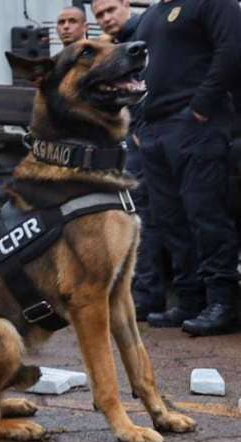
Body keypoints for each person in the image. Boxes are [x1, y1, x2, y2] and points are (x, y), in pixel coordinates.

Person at [135, 0, 241, 336]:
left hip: (197, 124)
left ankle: (222, 302)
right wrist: (139, 123)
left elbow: (232, 50)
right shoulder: (150, 16)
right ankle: (190, 299)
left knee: (206, 214)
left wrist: (200, 106)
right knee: (171, 220)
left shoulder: (213, 2)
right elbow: (137, 70)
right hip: (155, 129)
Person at [91, 0, 166, 321]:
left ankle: (150, 295)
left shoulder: (145, 34)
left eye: (111, 10)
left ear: (125, 4)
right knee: (140, 215)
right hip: (136, 140)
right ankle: (146, 294)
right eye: (100, 15)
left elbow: (158, 83)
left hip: (152, 136)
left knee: (145, 216)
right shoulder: (117, 44)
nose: (106, 18)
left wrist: (140, 129)